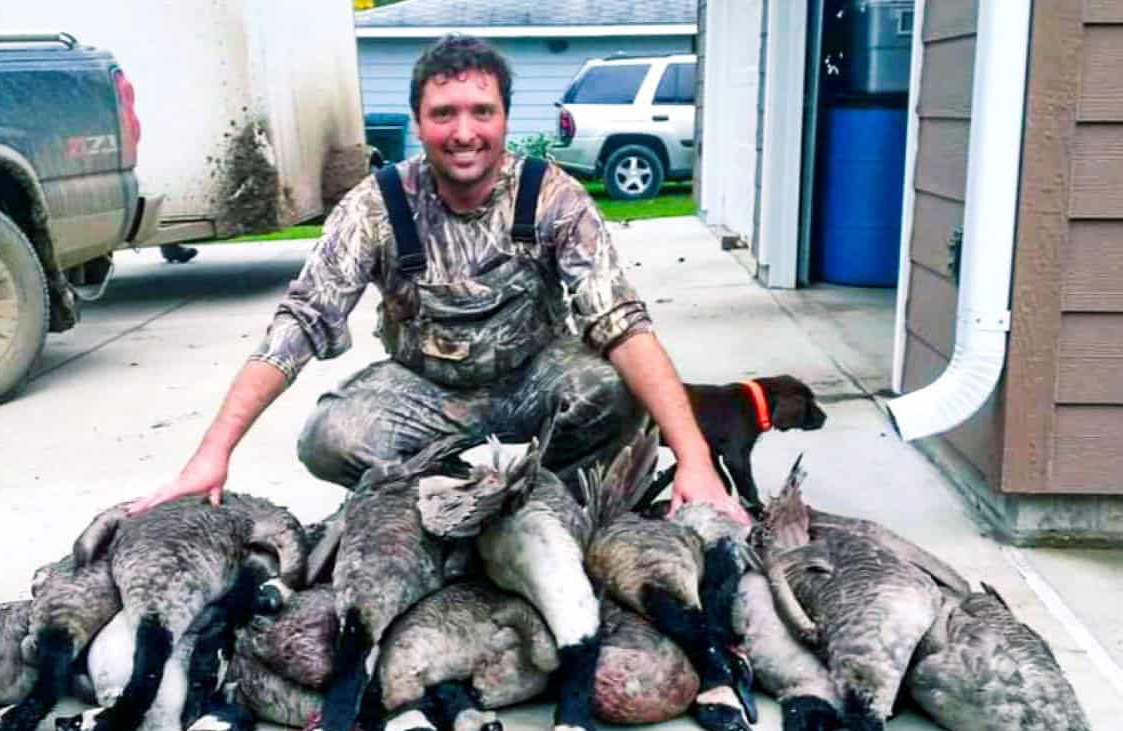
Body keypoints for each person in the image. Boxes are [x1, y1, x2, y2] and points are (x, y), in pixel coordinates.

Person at [127, 35, 748, 527]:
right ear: (418, 122)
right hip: (425, 389)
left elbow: (623, 324)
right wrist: (213, 453)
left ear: (506, 116)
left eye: (483, 111)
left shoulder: (554, 197)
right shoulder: (377, 205)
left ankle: (550, 505)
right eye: (444, 113)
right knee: (329, 438)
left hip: (538, 377)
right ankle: (447, 503)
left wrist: (694, 458)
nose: (464, 132)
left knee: (615, 390)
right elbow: (300, 324)